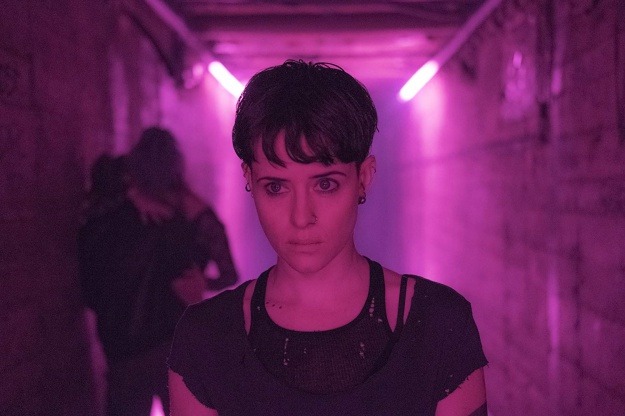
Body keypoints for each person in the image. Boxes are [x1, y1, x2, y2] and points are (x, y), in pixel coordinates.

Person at [167, 61, 488, 416]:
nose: (301, 217)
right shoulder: (205, 339)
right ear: (249, 180)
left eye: (325, 184)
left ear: (363, 178)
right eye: (276, 187)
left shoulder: (439, 326)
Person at [78, 127, 238, 416]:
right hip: (172, 345)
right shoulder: (194, 218)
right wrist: (204, 283)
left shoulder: (114, 214)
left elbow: (92, 290)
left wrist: (129, 195)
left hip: (127, 347)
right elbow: (230, 274)